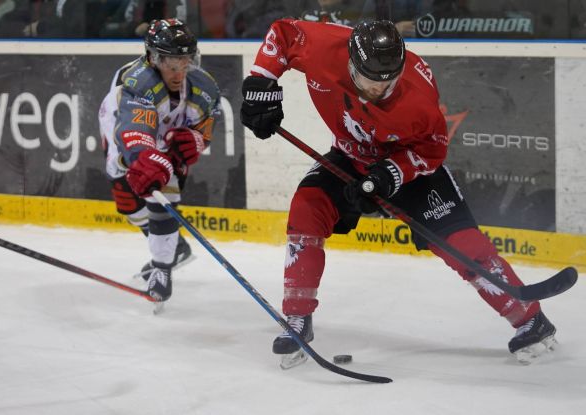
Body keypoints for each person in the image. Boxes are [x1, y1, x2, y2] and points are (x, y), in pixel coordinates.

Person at [240, 18, 557, 366]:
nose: (375, 90)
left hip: (408, 166)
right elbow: (282, 34)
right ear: (351, 62)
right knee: (306, 207)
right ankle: (297, 318)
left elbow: (433, 150)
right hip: (351, 155)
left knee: (460, 243)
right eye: (366, 81)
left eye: (385, 83)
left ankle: (529, 318)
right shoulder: (322, 45)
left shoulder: (418, 97)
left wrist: (391, 175)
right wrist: (261, 83)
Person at [98, 18, 221, 302]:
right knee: (127, 203)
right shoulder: (136, 83)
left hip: (165, 135)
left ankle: (162, 267)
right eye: (171, 64)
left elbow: (203, 130)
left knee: (165, 193)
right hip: (120, 129)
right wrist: (144, 157)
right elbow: (135, 130)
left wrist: (195, 140)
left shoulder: (205, 88)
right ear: (153, 60)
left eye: (185, 62)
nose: (179, 73)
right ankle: (174, 245)